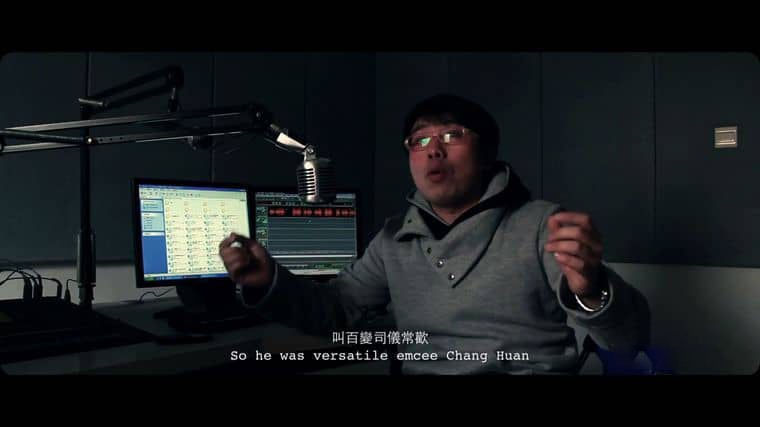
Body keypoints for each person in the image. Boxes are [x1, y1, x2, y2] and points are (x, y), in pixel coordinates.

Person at [219, 94, 650, 375]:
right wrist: (269, 284)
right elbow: (335, 310)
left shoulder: (541, 224)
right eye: (419, 141)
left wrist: (591, 290)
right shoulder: (393, 238)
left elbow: (628, 342)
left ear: (488, 154)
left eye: (451, 135)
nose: (433, 150)